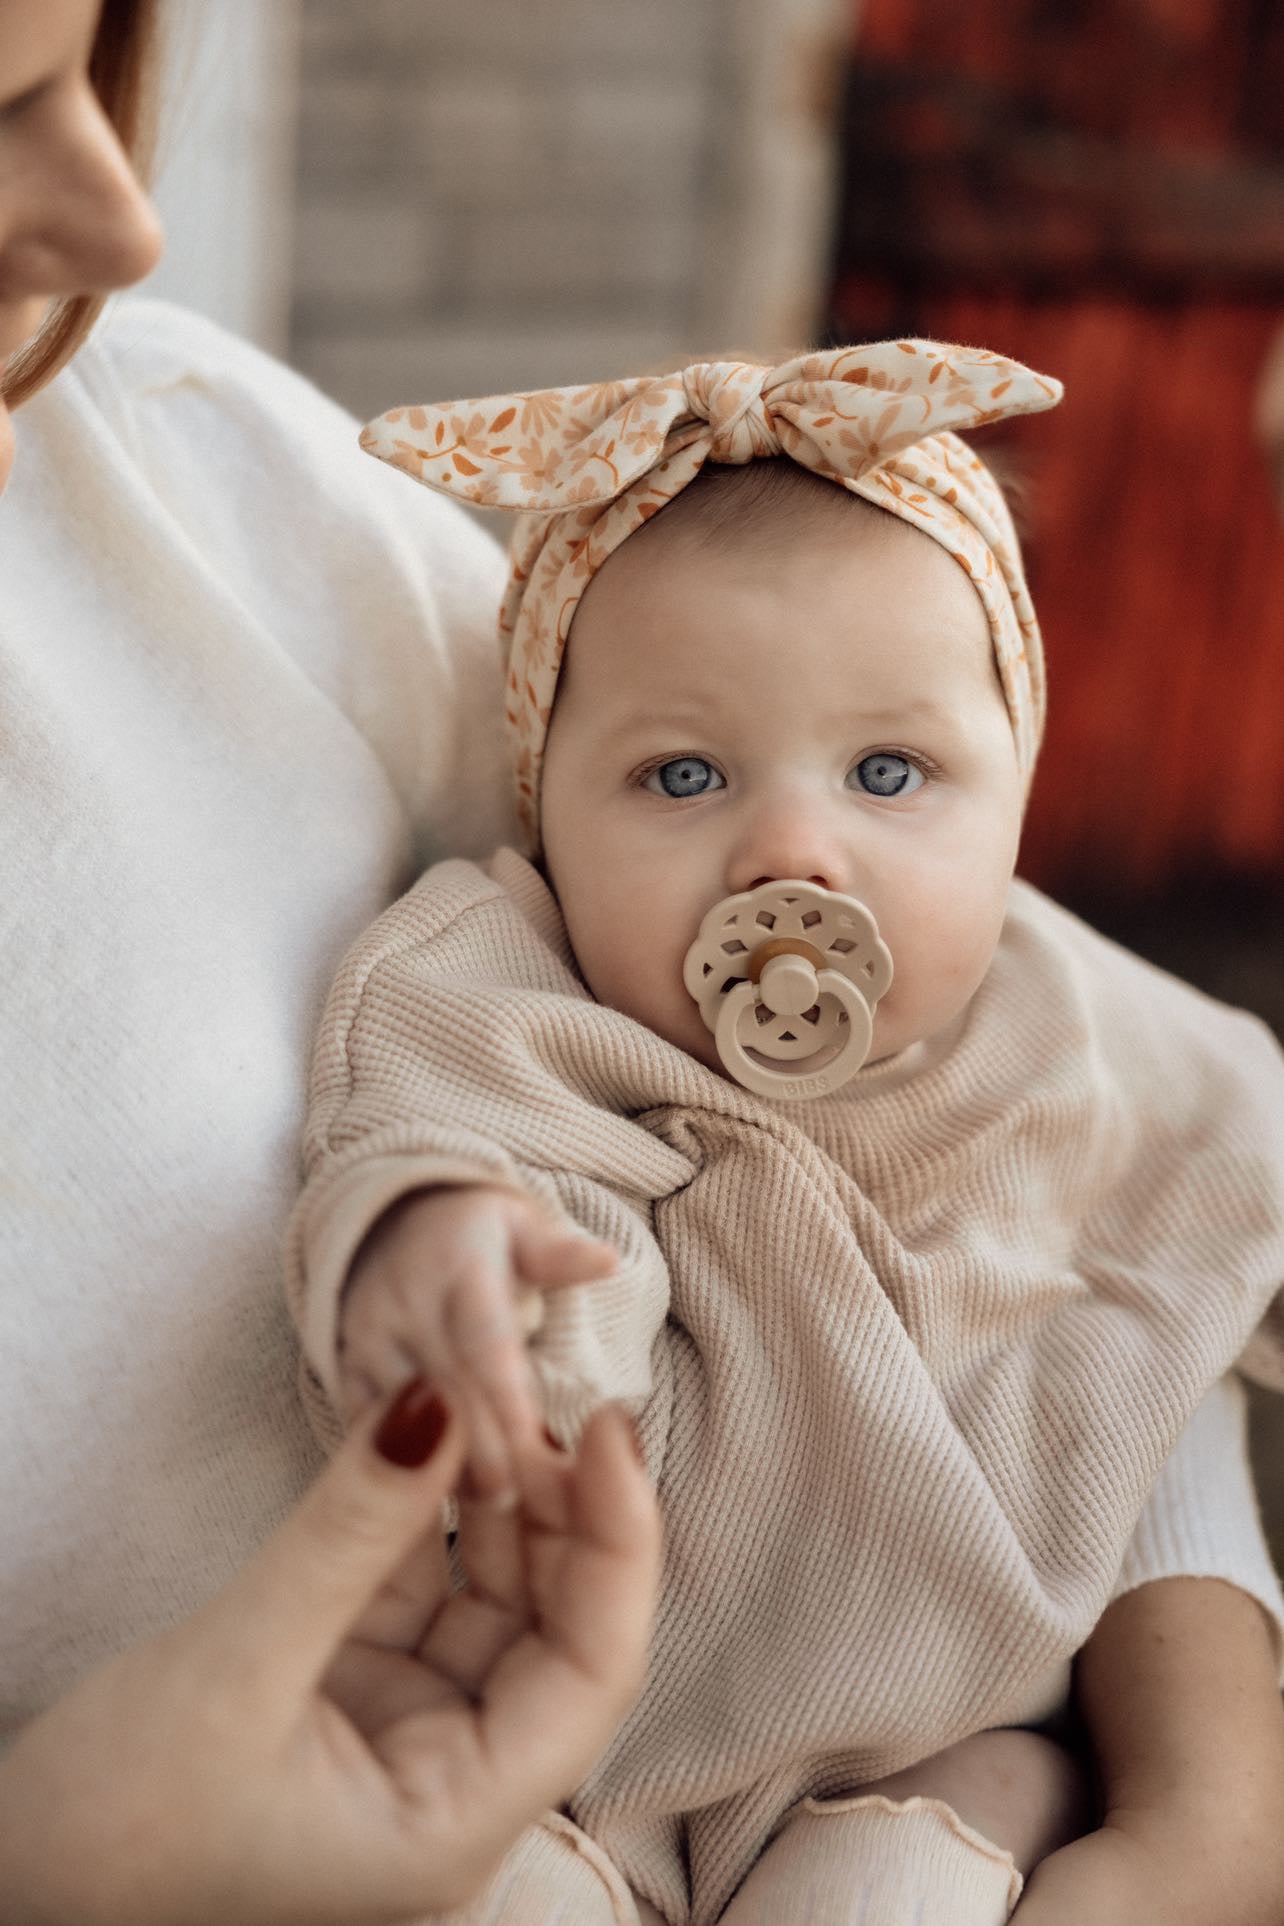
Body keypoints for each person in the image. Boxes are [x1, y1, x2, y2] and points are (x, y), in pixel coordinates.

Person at [288, 345, 1284, 1925]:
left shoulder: (1086, 1030)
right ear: (545, 805)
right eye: (682, 774)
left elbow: (1208, 1220)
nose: (791, 851)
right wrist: (435, 1245)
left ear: (1017, 787)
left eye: (891, 771)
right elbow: (427, 1128)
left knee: (942, 1850)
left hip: (946, 1747)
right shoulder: (518, 987)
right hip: (562, 1743)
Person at [0, 3, 660, 1920]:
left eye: (83, 62)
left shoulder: (227, 497)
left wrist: (1196, 1757)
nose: (121, 225)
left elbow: (994, 1060)